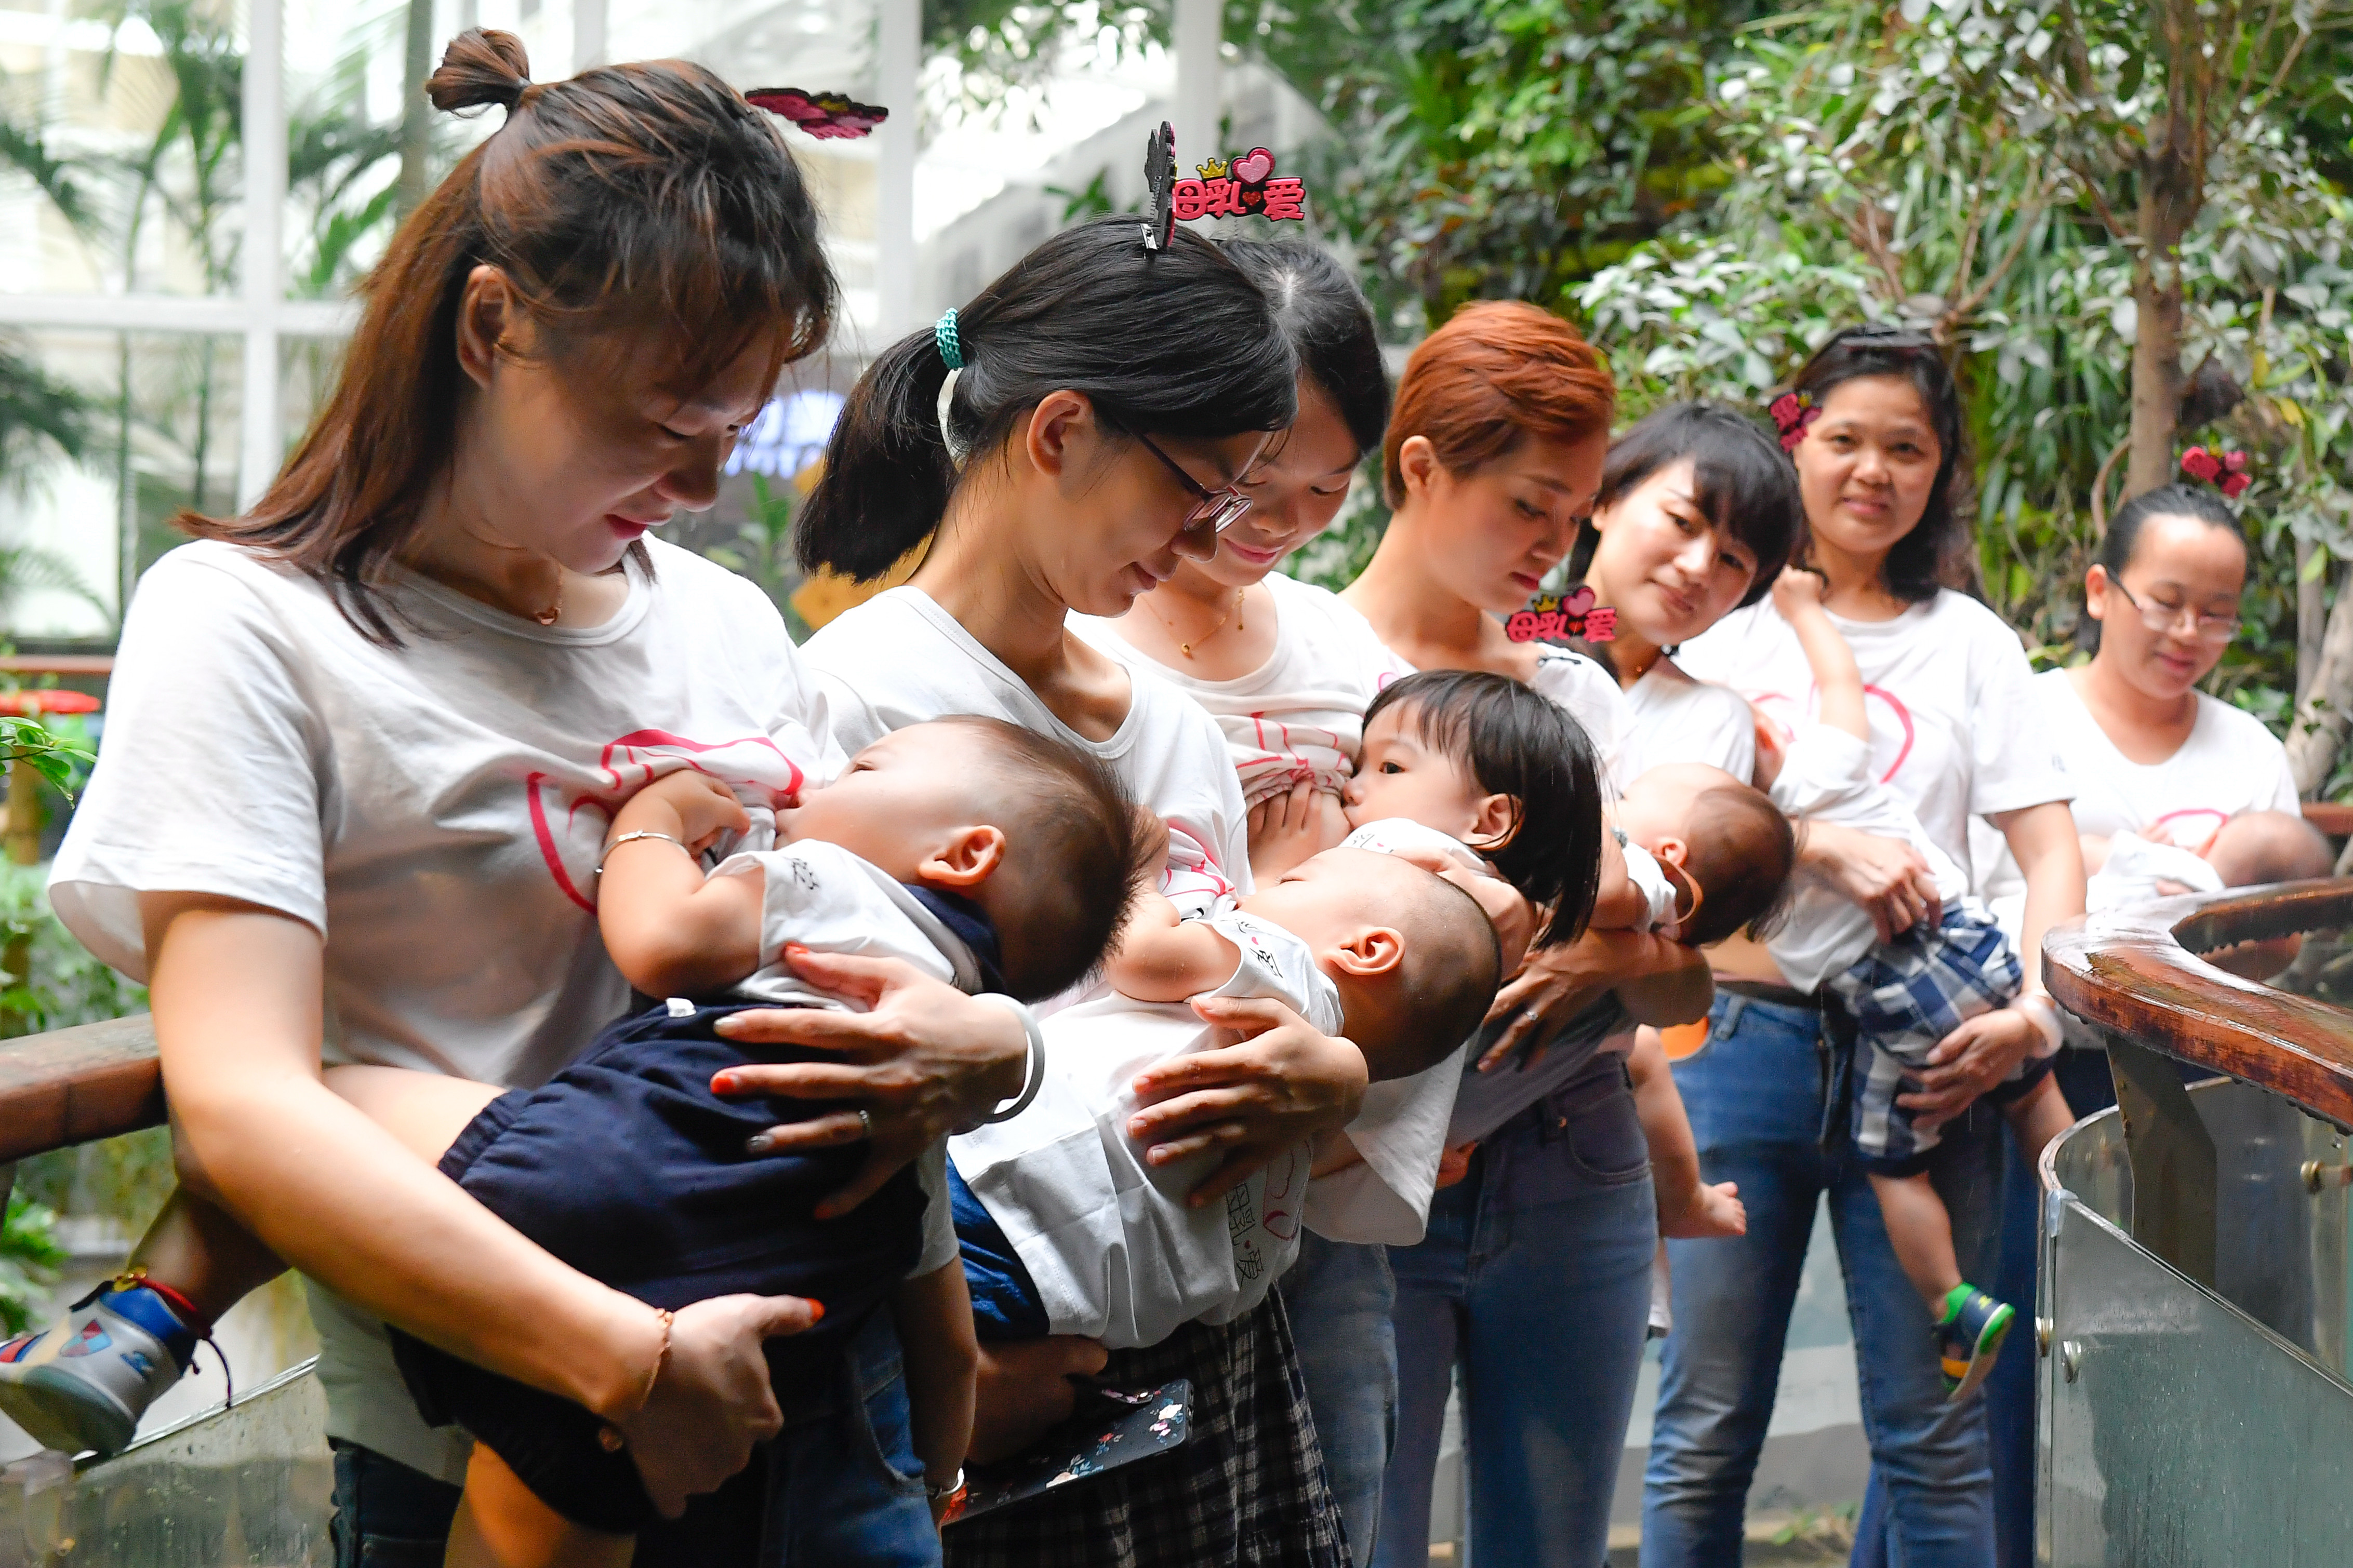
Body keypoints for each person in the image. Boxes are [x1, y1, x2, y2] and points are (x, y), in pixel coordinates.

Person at [33, 31, 1079, 1567]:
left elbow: (840, 943)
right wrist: (623, 1357)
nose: (704, 486)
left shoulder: (721, 628)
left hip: (817, 1397)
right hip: (496, 1430)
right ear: (490, 325)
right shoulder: (251, 623)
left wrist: (995, 1042)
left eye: (730, 435)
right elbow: (246, 1108)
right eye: (667, 428)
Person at [7, 720, 1144, 1567]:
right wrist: (940, 1474)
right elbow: (941, 1343)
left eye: (864, 772)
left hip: (597, 1171)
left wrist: (650, 825)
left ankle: (143, 1319)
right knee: (541, 1522)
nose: (822, 779)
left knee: (294, 1106)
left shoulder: (829, 890)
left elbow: (659, 940)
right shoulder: (919, 1080)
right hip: (754, 1299)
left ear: (960, 853)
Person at [792, 217, 1371, 1567]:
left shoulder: (1165, 727)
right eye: (1197, 488)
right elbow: (826, 1066)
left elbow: (1222, 981)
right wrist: (959, 1370)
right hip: (982, 1362)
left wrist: (1325, 1067)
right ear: (1058, 431)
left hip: (1211, 1346)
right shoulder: (858, 701)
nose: (1206, 538)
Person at [1651, 325, 2085, 1568]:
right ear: (1796, 440)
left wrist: (2033, 1021)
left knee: (1935, 1433)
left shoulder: (1972, 644)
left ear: (1940, 471)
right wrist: (1808, 848)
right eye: (1845, 439)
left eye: (1909, 448)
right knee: (1708, 1423)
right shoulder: (1715, 620)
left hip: (1935, 1056)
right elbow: (1645, 823)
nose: (1873, 471)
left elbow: (2052, 855)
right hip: (1743, 1045)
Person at [1337, 302, 1706, 1568]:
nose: (1553, 551)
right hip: (1361, 1171)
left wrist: (1610, 959)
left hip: (1576, 1157)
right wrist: (1597, 954)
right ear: (1420, 466)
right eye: (1528, 507)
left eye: (1574, 517)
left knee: (1554, 1543)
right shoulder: (1314, 667)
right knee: (1357, 1534)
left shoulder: (1573, 688)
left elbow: (1684, 979)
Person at [1067, 239, 1413, 1563]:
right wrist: (1276, 899)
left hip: (1321, 1194)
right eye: (1246, 481)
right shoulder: (1086, 638)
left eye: (1325, 488)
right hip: (1123, 1179)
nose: (1271, 523)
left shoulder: (1342, 649)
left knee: (1335, 1509)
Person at [1972, 475, 2317, 1565]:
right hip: (2044, 1085)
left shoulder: (2246, 747)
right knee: (2016, 1373)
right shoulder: (2027, 717)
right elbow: (1984, 899)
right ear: (2098, 590)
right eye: (2163, 601)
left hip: (2215, 1110)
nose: (2187, 633)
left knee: (2185, 1374)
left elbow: (2279, 935)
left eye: (2215, 612)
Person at [953, 846, 1502, 1355]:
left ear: (1365, 950)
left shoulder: (1283, 963)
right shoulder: (1298, 1145)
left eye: (1291, 880)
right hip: (1073, 1303)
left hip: (1005, 1192)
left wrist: (1138, 871)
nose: (1247, 889)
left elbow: (1139, 955)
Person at [1758, 566, 2071, 1401]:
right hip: (1971, 937)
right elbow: (1839, 678)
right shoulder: (1830, 760)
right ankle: (2102, 1237)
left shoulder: (1748, 858)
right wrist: (1805, 609)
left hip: (1894, 993)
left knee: (1895, 1163)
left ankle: (1952, 1303)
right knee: (2027, 1080)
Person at [1568, 401, 1804, 781]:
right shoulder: (1486, 634)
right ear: (1604, 502)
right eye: (1682, 522)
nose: (1698, 568)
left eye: (1732, 560)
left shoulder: (1710, 721)